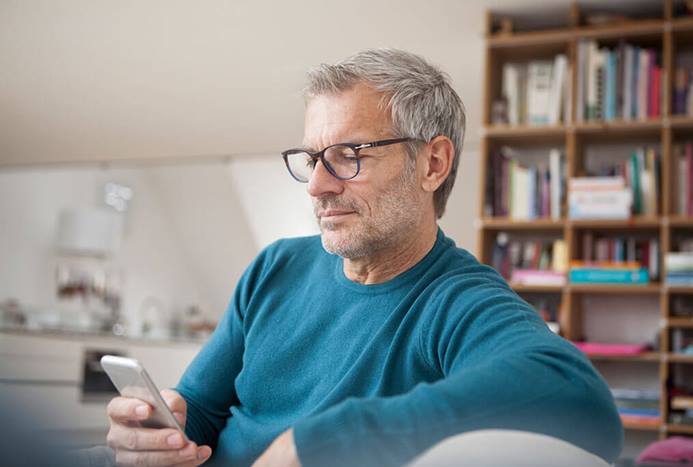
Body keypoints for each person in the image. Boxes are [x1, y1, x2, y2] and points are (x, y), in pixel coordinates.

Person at [105, 48, 623, 467]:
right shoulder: (275, 268)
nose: (315, 186)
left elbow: (578, 400)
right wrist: (157, 432)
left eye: (348, 157)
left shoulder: (459, 300)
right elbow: (202, 407)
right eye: (311, 159)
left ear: (433, 163)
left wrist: (322, 441)